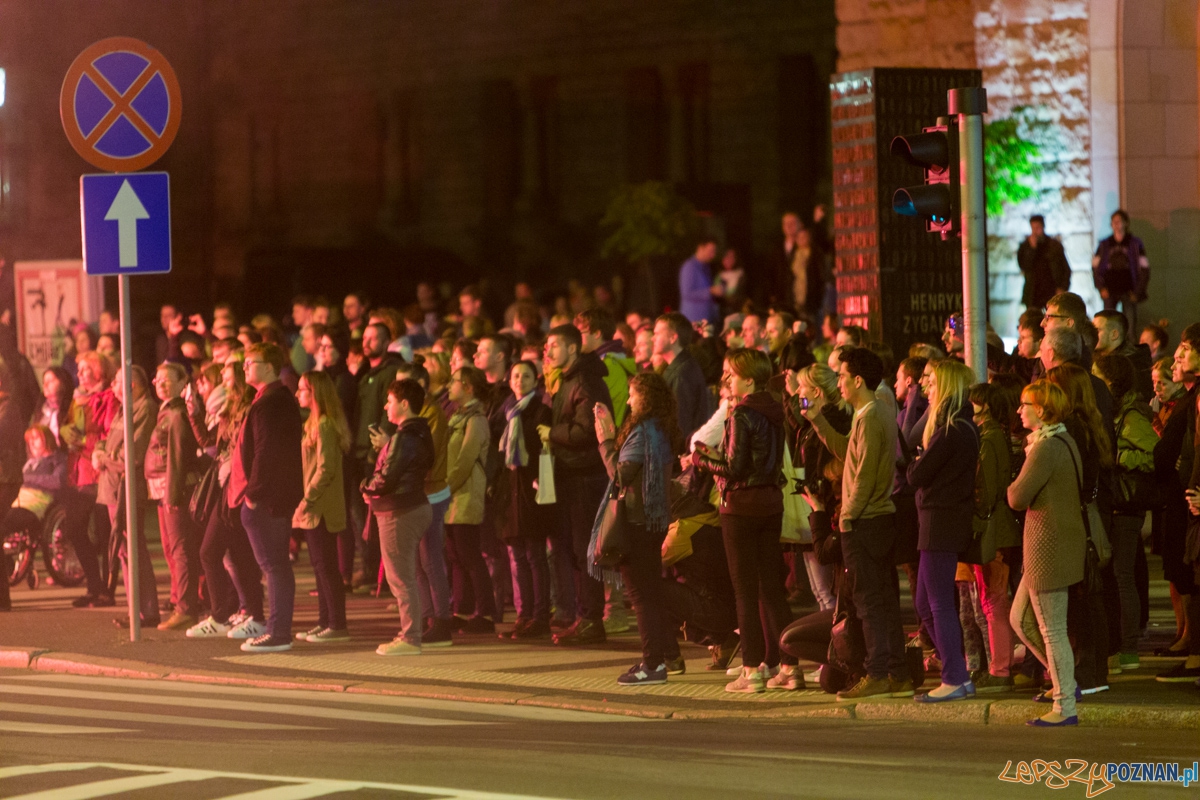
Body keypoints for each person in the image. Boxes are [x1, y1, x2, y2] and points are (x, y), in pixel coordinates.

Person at [802, 347, 907, 701]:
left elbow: (861, 475)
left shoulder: (873, 414)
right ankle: (895, 670)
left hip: (867, 521)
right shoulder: (869, 413)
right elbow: (848, 452)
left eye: (843, 376)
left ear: (858, 380)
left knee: (869, 602)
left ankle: (879, 672)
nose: (839, 382)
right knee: (880, 599)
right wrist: (818, 420)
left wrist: (847, 516)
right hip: (870, 519)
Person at [692, 348, 797, 693]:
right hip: (770, 502)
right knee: (772, 589)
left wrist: (703, 460)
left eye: (732, 374)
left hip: (739, 507)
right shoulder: (776, 411)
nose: (727, 380)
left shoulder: (741, 414)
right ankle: (788, 664)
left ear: (749, 379)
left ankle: (751, 668)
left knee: (744, 591)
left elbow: (735, 468)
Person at [593, 372, 683, 684]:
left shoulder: (644, 431)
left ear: (644, 397)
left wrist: (605, 439)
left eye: (632, 394)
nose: (628, 401)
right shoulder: (661, 428)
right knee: (651, 592)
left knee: (641, 595)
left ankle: (653, 665)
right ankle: (666, 655)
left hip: (637, 521)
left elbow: (620, 475)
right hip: (654, 519)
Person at [1008, 380, 1085, 727]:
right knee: (1020, 619)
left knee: (1051, 628)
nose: (1019, 410)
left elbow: (1016, 497)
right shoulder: (1063, 440)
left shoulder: (1044, 449)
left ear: (1040, 410)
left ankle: (1064, 704)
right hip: (1055, 545)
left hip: (1047, 549)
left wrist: (1012, 481)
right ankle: (1064, 683)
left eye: (1024, 404)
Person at [906, 360, 979, 702]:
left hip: (941, 520)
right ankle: (957, 670)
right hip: (936, 520)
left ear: (947, 386)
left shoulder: (952, 429)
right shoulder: (956, 425)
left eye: (933, 382)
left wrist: (916, 462)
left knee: (937, 604)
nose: (927, 388)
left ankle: (953, 676)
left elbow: (916, 475)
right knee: (924, 603)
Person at [539, 324, 613, 646]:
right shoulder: (567, 381)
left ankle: (592, 619)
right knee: (575, 549)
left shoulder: (584, 381)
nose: (548, 351)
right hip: (570, 474)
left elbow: (586, 431)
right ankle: (586, 616)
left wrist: (551, 433)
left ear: (572, 348)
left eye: (554, 345)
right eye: (546, 345)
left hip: (585, 474)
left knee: (588, 550)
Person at [186, 354, 267, 641]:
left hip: (236, 489)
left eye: (229, 378)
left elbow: (242, 452)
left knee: (219, 553)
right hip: (226, 489)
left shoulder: (247, 410)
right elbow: (212, 444)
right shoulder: (231, 411)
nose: (225, 382)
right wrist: (196, 413)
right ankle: (242, 613)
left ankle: (232, 615)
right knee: (232, 555)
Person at [236, 342, 304, 652]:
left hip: (269, 498)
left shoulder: (270, 403)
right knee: (275, 564)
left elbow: (266, 451)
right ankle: (278, 630)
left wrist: (253, 493)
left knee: (274, 565)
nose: (245, 366)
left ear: (270, 366)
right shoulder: (274, 399)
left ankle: (278, 633)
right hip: (275, 495)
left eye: (251, 361)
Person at [1092, 353, 1158, 671]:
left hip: (1126, 508)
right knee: (1115, 577)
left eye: (1097, 375)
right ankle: (1120, 646)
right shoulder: (1117, 412)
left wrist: (1119, 458)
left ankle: (1129, 648)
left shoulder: (1133, 416)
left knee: (1122, 577)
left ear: (1112, 381)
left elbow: (1154, 457)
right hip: (1115, 506)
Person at [363, 379, 435, 656]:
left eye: (390, 401)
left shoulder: (405, 437)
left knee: (400, 577)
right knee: (409, 575)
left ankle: (410, 637)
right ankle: (412, 631)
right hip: (412, 505)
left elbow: (387, 478)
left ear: (404, 404)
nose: (385, 406)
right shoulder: (419, 433)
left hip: (400, 510)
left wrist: (365, 486)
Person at [393, 359, 453, 646]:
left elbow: (425, 458)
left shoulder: (431, 417)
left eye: (404, 384)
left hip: (432, 491)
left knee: (431, 561)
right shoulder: (414, 419)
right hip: (418, 492)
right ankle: (428, 616)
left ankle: (442, 620)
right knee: (417, 562)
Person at [94, 367, 160, 629]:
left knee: (132, 547)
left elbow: (133, 453)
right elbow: (109, 442)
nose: (113, 384)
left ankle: (146, 611)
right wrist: (100, 453)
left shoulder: (144, 409)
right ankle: (137, 610)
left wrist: (104, 459)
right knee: (124, 550)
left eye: (118, 380)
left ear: (132, 384)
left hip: (126, 486)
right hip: (113, 485)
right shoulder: (125, 409)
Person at [967, 382, 1020, 692]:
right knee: (994, 600)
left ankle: (1000, 668)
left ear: (983, 406)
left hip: (993, 531)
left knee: (993, 601)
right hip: (999, 529)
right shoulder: (994, 435)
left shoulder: (988, 438)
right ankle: (999, 665)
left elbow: (984, 489)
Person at [292, 371, 352, 643]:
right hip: (315, 506)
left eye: (303, 389)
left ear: (315, 393)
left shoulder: (325, 425)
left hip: (321, 507)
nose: (298, 394)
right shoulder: (313, 424)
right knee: (319, 566)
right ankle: (324, 620)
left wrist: (307, 498)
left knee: (326, 567)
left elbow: (326, 468)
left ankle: (337, 624)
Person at [787, 362, 851, 613]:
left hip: (824, 506)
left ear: (817, 391)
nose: (798, 392)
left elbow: (829, 463)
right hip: (813, 502)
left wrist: (818, 503)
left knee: (826, 591)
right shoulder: (811, 422)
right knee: (819, 590)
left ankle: (837, 643)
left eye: (802, 386)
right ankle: (833, 645)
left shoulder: (833, 422)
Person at [498, 360, 554, 640]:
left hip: (532, 490)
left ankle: (540, 616)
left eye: (527, 375)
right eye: (516, 375)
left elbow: (540, 448)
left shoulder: (541, 410)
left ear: (536, 380)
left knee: (534, 556)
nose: (520, 379)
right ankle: (523, 615)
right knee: (517, 556)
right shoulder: (506, 411)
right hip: (511, 492)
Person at [145, 362, 203, 631]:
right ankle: (181, 601)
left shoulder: (177, 414)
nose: (161, 384)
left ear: (183, 384)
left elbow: (177, 458)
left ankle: (187, 608)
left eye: (167, 380)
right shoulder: (165, 412)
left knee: (181, 550)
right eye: (157, 380)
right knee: (172, 550)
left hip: (173, 490)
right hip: (163, 490)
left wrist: (172, 496)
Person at [442, 365, 496, 633]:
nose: (448, 385)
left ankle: (485, 612)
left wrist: (445, 488)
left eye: (454, 381)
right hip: (452, 496)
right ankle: (461, 610)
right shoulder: (455, 416)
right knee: (455, 555)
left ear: (469, 387)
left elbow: (465, 460)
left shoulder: (476, 420)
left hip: (464, 494)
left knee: (469, 554)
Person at [351, 322, 405, 590]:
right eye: (365, 337)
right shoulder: (365, 373)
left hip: (375, 452)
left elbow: (388, 415)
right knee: (360, 517)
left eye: (374, 338)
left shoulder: (390, 372)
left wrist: (380, 447)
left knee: (375, 517)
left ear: (387, 342)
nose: (367, 342)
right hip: (359, 451)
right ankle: (369, 569)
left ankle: (379, 576)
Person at [0, 426, 66, 612]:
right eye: (30, 440)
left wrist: (29, 479)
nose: (33, 443)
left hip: (35, 507)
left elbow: (57, 482)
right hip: (16, 502)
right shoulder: (29, 463)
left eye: (37, 438)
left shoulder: (57, 460)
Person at [654, 313, 709, 443]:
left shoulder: (682, 374)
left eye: (657, 334)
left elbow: (681, 422)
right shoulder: (681, 367)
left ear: (673, 338)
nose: (653, 338)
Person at [1092, 209, 1149, 328]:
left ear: (1126, 223)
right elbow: (1095, 268)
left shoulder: (1134, 244)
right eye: (1114, 222)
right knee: (1108, 324)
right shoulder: (1104, 244)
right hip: (1110, 289)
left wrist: (1138, 291)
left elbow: (1144, 268)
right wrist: (1101, 287)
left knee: (1130, 325)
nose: (1116, 224)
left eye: (1119, 221)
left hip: (1129, 289)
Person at [1094, 309, 1153, 402]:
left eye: (1097, 330)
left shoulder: (1134, 366)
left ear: (1114, 334)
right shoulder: (1096, 360)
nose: (1092, 334)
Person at [1017, 214, 1071, 311]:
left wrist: (1062, 287)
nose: (1035, 231)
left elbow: (1065, 269)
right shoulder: (1025, 246)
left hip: (1052, 291)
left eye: (1038, 228)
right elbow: (1024, 266)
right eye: (1033, 228)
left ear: (1043, 227)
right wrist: (1032, 249)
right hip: (1033, 294)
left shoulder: (1054, 246)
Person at [678, 238, 721, 326]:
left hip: (706, 320)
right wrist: (710, 291)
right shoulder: (689, 267)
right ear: (700, 248)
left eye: (714, 252)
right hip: (693, 320)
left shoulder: (706, 267)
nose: (713, 255)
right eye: (710, 251)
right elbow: (687, 293)